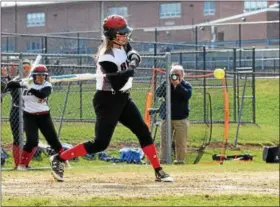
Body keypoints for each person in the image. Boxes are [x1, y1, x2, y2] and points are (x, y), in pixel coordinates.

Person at [50, 14, 173, 182]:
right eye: (121, 33)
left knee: (143, 132)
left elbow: (133, 53)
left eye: (124, 33)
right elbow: (117, 82)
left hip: (123, 98)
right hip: (107, 100)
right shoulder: (106, 56)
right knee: (100, 144)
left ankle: (158, 171)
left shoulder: (122, 44)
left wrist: (133, 61)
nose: (125, 36)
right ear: (111, 35)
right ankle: (60, 159)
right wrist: (129, 69)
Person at [6, 64, 65, 170]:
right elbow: (10, 85)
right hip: (29, 116)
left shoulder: (47, 85)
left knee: (53, 140)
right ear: (33, 76)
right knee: (32, 141)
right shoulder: (27, 82)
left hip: (44, 116)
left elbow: (42, 94)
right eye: (38, 75)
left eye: (43, 75)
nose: (41, 77)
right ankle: (22, 165)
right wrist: (20, 83)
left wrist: (29, 88)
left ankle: (64, 160)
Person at [155, 64, 192, 164]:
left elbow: (186, 95)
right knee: (165, 141)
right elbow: (158, 93)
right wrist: (167, 83)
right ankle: (164, 159)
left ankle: (180, 160)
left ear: (182, 75)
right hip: (167, 117)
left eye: (177, 74)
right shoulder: (167, 85)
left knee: (180, 142)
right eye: (173, 74)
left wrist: (178, 85)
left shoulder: (186, 85)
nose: (175, 76)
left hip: (181, 118)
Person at [1, 60, 32, 168]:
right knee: (17, 139)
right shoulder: (17, 80)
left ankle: (25, 163)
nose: (25, 70)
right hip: (16, 111)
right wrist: (7, 76)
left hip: (29, 112)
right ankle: (17, 164)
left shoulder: (33, 81)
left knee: (30, 139)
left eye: (28, 68)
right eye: (23, 68)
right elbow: (13, 90)